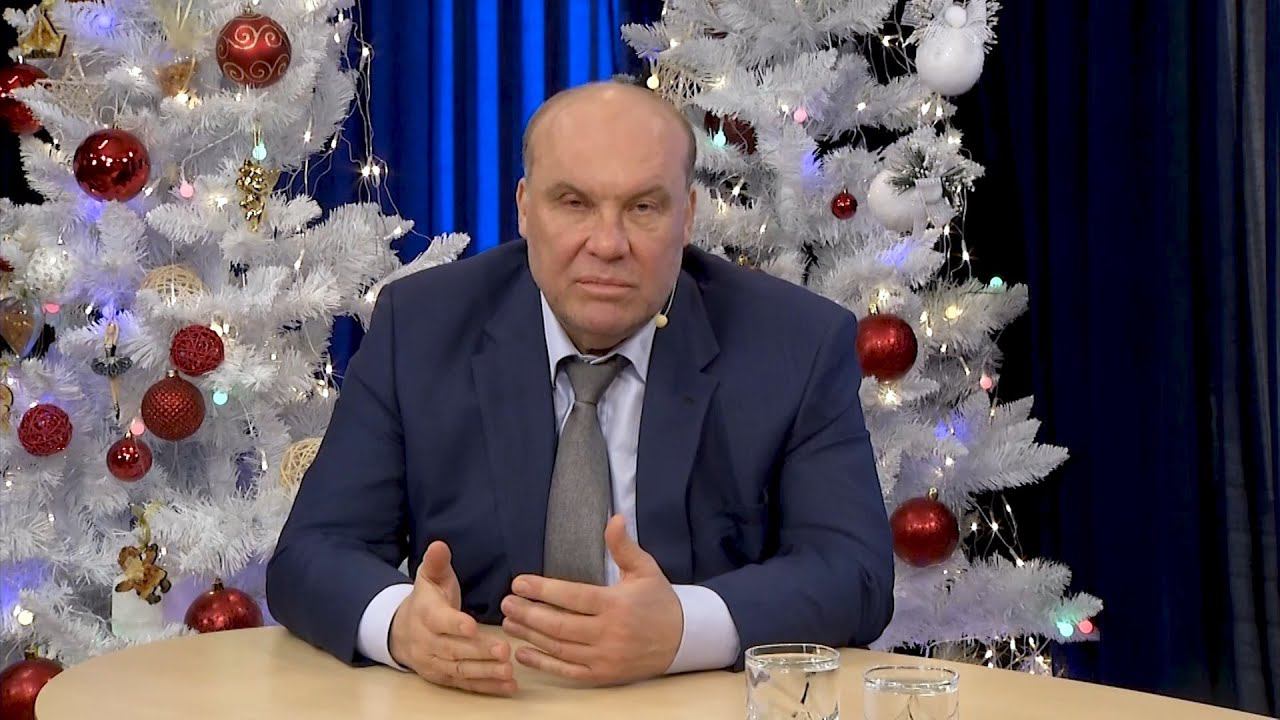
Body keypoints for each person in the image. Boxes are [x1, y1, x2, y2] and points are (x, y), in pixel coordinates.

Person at [266, 80, 893, 697]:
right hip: (491, 702)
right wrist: (402, 624)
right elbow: (312, 551)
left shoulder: (796, 343)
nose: (607, 244)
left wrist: (682, 628)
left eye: (643, 208)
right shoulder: (421, 327)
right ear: (524, 208)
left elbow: (854, 573)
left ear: (687, 217)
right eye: (573, 203)